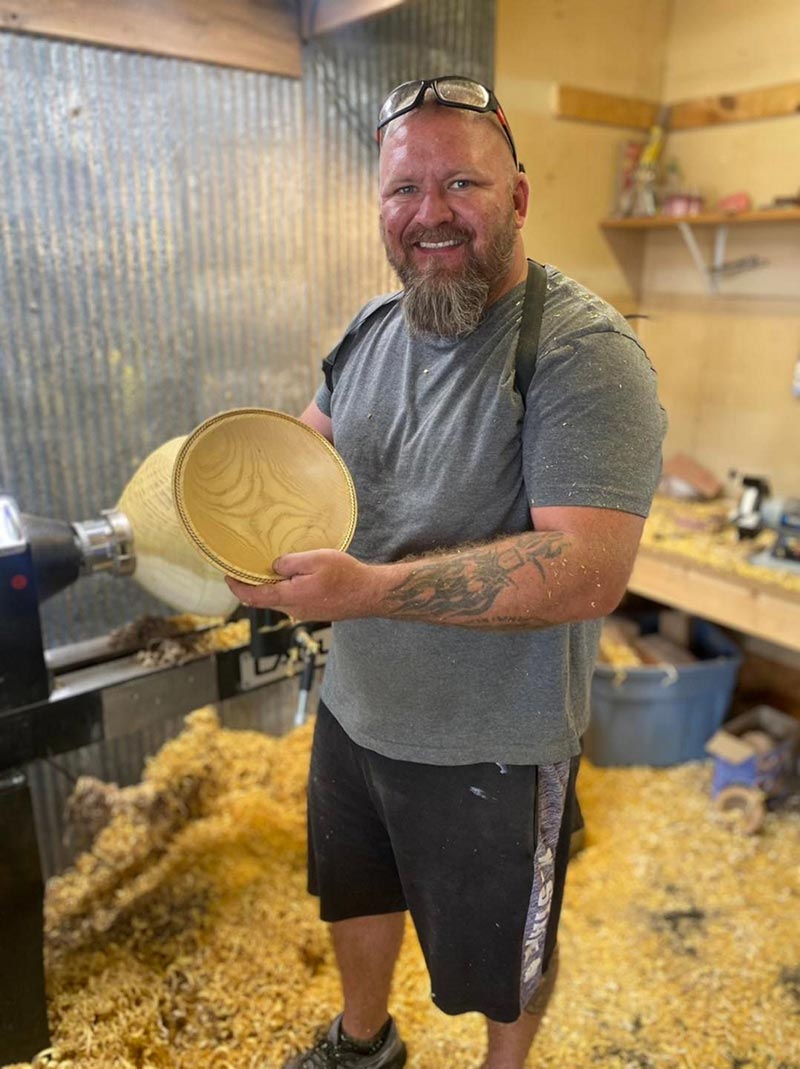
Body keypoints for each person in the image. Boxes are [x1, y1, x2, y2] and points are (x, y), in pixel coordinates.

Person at [227, 75, 666, 1069]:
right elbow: (302, 469)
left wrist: (365, 592)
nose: (428, 214)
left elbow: (589, 567)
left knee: (500, 956)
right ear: (378, 208)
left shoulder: (579, 351)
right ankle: (363, 1040)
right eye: (402, 190)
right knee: (358, 888)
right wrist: (221, 528)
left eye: (460, 182)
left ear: (516, 196)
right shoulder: (369, 331)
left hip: (491, 746)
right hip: (356, 708)